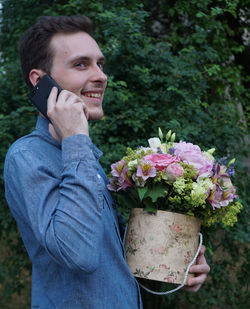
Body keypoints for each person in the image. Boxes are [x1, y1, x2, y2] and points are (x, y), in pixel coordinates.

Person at [4, 15, 210, 308]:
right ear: (40, 81)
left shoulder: (83, 156)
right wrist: (76, 140)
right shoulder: (27, 156)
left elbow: (108, 260)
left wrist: (178, 262)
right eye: (81, 64)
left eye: (100, 64)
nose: (101, 76)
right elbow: (79, 255)